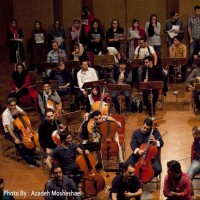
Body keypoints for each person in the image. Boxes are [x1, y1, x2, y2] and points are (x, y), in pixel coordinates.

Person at [2, 97, 41, 167]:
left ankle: (32, 151)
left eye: (14, 105)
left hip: (17, 128)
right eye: (12, 105)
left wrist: (18, 112)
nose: (14, 107)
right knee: (19, 143)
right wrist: (15, 138)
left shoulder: (15, 107)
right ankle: (31, 161)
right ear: (8, 105)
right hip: (9, 132)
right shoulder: (5, 114)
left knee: (29, 137)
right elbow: (9, 129)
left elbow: (25, 114)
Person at [188, 5, 200, 71]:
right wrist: (190, 38)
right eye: (197, 11)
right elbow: (189, 28)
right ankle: (189, 66)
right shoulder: (191, 18)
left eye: (199, 11)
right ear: (194, 11)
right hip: (194, 38)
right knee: (191, 53)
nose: (198, 12)